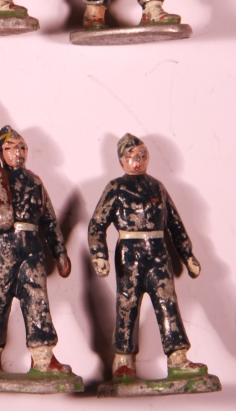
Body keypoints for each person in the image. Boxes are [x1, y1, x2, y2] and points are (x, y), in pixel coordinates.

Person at [87, 133, 206, 379]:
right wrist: (99, 254)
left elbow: (175, 225)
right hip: (129, 255)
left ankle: (177, 356)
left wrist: (188, 256)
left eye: (142, 155)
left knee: (167, 301)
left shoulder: (157, 187)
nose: (138, 161)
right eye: (131, 156)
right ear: (121, 160)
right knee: (127, 304)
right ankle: (123, 360)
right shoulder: (116, 188)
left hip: (158, 253)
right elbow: (97, 224)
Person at [0, 126, 71, 373]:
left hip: (32, 251)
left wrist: (60, 253)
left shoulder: (36, 182)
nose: (18, 152)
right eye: (10, 148)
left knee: (37, 299)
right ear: (0, 153)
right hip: (3, 250)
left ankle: (43, 356)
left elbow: (50, 222)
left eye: (22, 147)